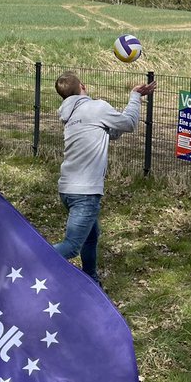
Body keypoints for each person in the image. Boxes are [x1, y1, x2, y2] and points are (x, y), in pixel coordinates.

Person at [52, 72, 156, 285]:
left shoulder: (70, 114)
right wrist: (135, 96)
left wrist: (117, 121)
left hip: (67, 190)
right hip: (85, 192)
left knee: (91, 236)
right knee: (72, 246)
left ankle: (91, 281)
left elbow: (111, 133)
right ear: (83, 86)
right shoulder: (96, 107)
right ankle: (25, 264)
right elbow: (129, 123)